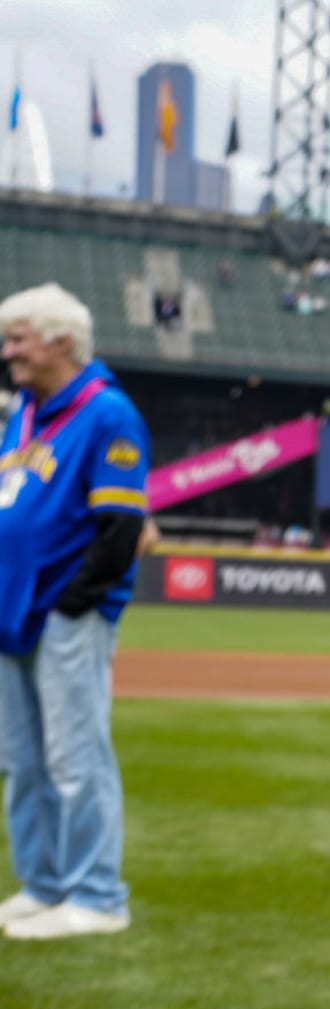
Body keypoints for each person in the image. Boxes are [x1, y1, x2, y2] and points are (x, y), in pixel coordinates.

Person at [0, 283, 151, 940]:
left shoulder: (108, 414)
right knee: (22, 760)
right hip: (10, 611)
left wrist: (70, 606)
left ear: (61, 340)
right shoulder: (24, 414)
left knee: (75, 756)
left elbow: (121, 527)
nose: (9, 352)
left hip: (66, 613)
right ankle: (47, 883)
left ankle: (96, 895)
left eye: (18, 338)